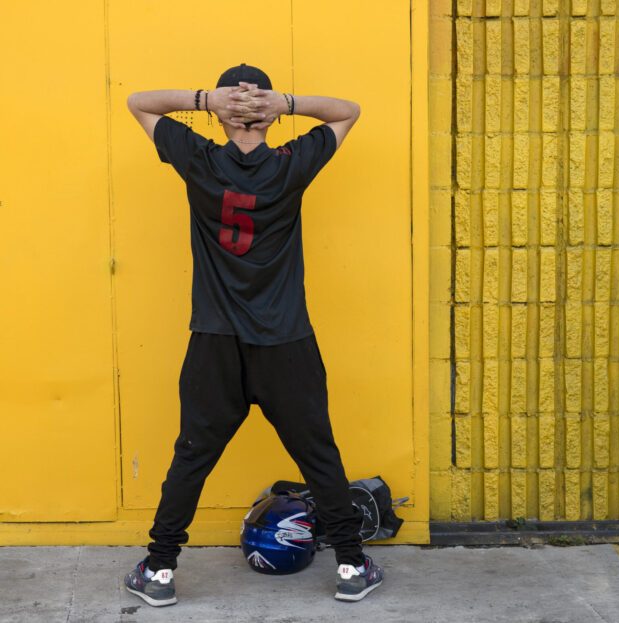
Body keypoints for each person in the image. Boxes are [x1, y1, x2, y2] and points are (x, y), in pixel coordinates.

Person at [122, 63, 382, 606]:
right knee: (319, 457)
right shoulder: (291, 164)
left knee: (191, 455)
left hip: (215, 340)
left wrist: (203, 97)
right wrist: (283, 103)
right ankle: (353, 568)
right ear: (267, 116)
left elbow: (139, 102)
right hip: (284, 339)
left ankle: (161, 572)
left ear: (222, 117)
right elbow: (348, 110)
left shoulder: (199, 158)